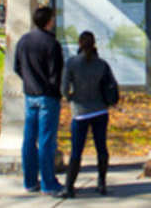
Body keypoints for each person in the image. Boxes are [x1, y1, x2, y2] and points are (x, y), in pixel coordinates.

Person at [59, 31, 117, 198]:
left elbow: (64, 88)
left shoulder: (71, 63)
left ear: (79, 44)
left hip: (80, 111)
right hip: (100, 110)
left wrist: (70, 98)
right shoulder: (102, 64)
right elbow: (111, 85)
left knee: (77, 150)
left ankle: (69, 186)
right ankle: (102, 182)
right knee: (101, 148)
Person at [13, 6, 64, 196]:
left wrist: (28, 81)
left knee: (29, 140)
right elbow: (56, 73)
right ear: (49, 21)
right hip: (47, 97)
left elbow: (17, 66)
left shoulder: (24, 41)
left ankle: (30, 181)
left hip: (30, 95)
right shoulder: (52, 43)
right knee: (46, 141)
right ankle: (48, 183)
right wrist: (56, 91)